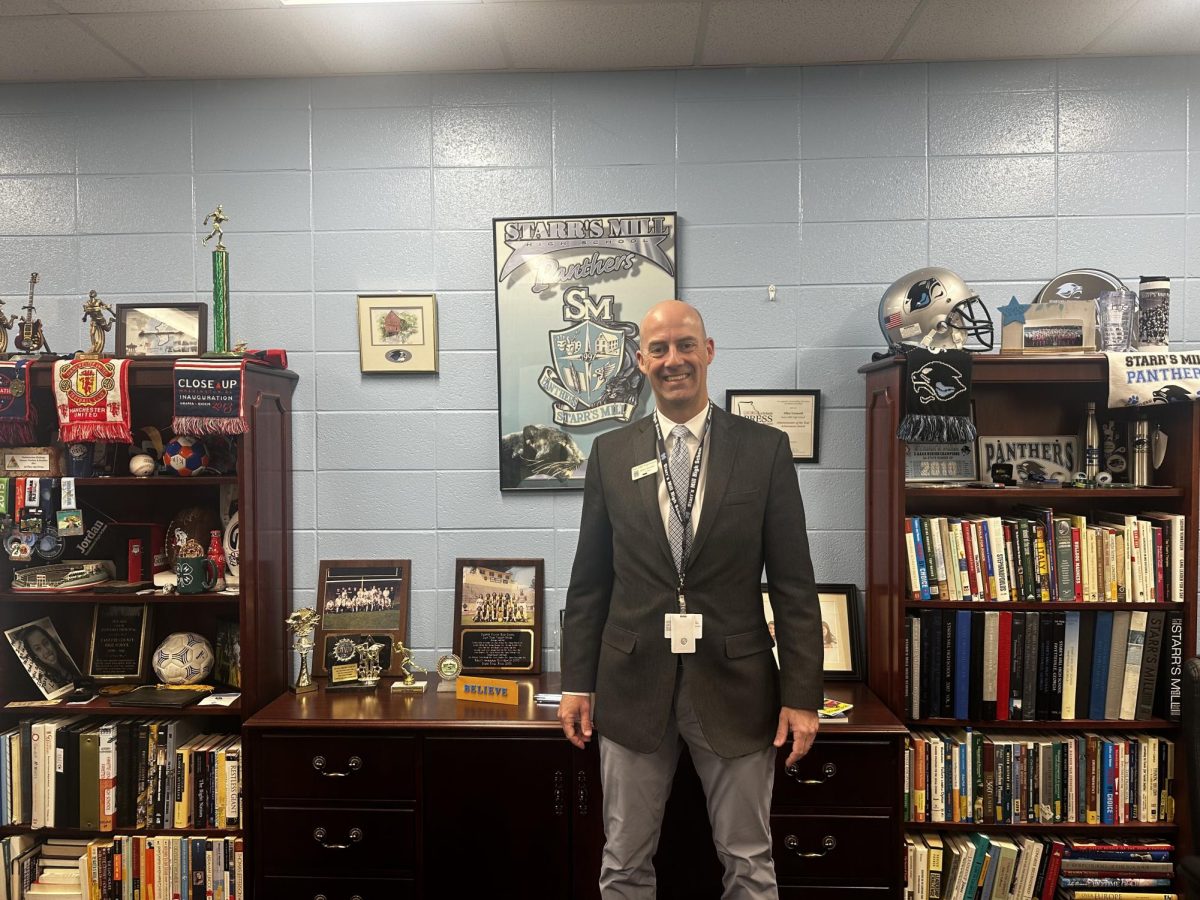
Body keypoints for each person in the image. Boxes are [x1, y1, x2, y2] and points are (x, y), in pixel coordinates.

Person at [559, 299, 823, 899]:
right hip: (630, 686)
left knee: (749, 861)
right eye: (658, 349)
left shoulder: (764, 450)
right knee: (623, 861)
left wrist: (803, 696)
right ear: (640, 360)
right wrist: (578, 681)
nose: (672, 359)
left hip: (737, 687)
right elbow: (590, 579)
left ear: (708, 351)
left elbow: (794, 584)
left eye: (684, 345)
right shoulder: (610, 453)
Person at [13, 622, 78, 695]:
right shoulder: (46, 682)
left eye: (45, 643)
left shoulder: (71, 660)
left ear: (51, 641)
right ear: (34, 655)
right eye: (38, 649)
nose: (46, 650)